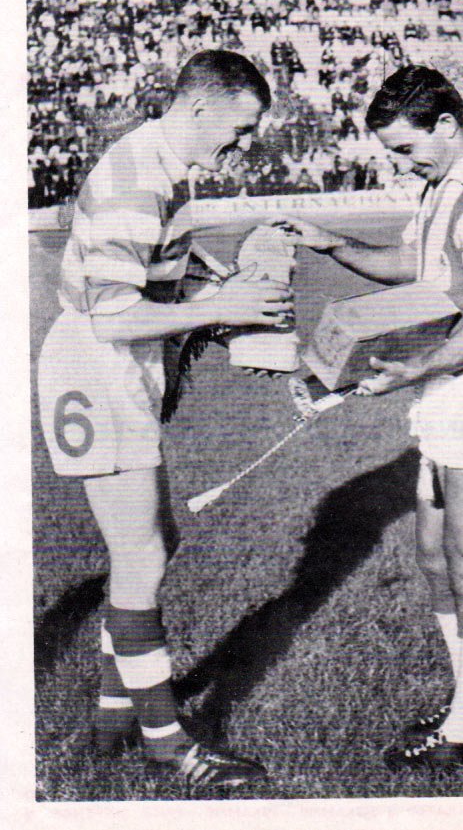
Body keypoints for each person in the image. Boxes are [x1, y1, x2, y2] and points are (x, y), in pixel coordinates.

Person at [37, 50, 295, 790]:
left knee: (152, 544)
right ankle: (165, 741)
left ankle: (115, 714)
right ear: (199, 108)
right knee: (142, 553)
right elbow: (113, 315)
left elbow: (163, 262)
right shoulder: (137, 177)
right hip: (97, 364)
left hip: (119, 366)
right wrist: (223, 307)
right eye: (240, 128)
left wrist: (225, 287)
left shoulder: (168, 167)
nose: (244, 144)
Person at [288, 66, 463, 768]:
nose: (402, 164)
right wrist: (329, 242)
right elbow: (413, 263)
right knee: (436, 559)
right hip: (448, 392)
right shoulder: (444, 187)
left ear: (446, 124)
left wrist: (415, 368)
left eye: (407, 148)